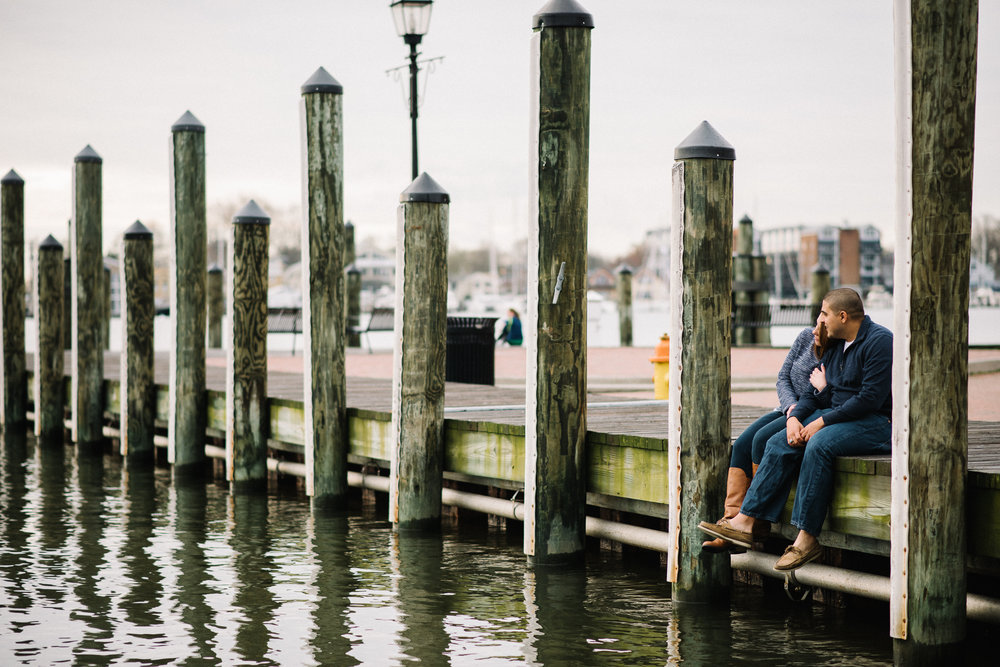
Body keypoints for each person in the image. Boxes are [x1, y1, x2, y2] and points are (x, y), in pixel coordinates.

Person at [699, 288, 892, 571]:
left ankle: (806, 538)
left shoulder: (880, 341)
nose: (820, 320)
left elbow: (870, 399)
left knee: (819, 444)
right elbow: (813, 395)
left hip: (877, 423)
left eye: (824, 314)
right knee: (779, 441)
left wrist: (820, 422)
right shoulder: (837, 344)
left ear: (842, 315)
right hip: (838, 416)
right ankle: (746, 521)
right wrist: (795, 419)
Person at [702, 321, 828, 551]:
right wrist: (790, 405)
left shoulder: (837, 352)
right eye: (818, 319)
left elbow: (827, 394)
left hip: (809, 413)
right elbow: (783, 378)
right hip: (788, 408)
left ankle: (755, 523)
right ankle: (731, 521)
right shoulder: (804, 338)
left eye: (823, 321)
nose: (815, 328)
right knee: (741, 445)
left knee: (762, 441)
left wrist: (797, 412)